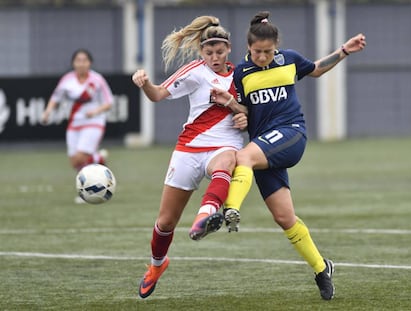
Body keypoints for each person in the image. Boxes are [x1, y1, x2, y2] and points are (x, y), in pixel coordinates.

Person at [210, 11, 366, 300]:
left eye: (268, 51)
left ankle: (229, 209)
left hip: (291, 133)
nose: (263, 57)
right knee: (284, 217)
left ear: (277, 45)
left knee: (242, 158)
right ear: (248, 48)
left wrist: (344, 50)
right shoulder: (241, 73)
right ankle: (322, 268)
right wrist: (235, 109)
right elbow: (246, 111)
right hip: (263, 146)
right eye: (257, 52)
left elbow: (317, 69)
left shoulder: (289, 59)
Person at [132, 16, 247, 299]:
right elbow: (158, 95)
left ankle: (204, 217)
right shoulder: (195, 71)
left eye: (220, 52)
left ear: (229, 49)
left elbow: (252, 109)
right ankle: (157, 266)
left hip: (224, 144)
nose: (215, 57)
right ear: (201, 52)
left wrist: (242, 114)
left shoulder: (243, 74)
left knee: (226, 163)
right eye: (209, 53)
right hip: (188, 149)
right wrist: (144, 83)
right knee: (166, 222)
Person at [42, 49, 114, 203]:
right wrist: (47, 111)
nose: (81, 63)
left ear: (90, 63)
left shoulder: (97, 80)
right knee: (75, 162)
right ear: (73, 63)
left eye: (84, 60)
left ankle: (90, 191)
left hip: (94, 122)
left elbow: (109, 102)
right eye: (78, 60)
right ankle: (99, 157)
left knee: (82, 157)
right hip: (75, 123)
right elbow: (56, 97)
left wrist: (95, 111)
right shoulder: (67, 80)